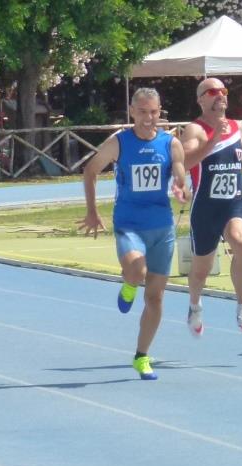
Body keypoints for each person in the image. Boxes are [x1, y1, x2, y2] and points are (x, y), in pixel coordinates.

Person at [79, 88, 187, 380]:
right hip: (129, 224)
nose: (148, 118)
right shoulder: (119, 142)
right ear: (131, 112)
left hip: (162, 227)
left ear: (160, 111)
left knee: (155, 298)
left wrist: (180, 186)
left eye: (153, 112)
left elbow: (180, 171)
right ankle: (129, 284)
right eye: (142, 112)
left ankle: (141, 356)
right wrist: (92, 211)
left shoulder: (171, 143)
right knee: (137, 270)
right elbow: (90, 170)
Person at [179, 78, 242, 336]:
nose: (220, 95)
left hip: (234, 203)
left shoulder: (238, 127)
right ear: (200, 99)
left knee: (240, 242)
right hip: (206, 208)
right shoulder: (195, 130)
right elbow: (185, 161)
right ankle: (195, 306)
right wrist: (212, 140)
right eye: (213, 91)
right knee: (201, 270)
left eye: (223, 90)